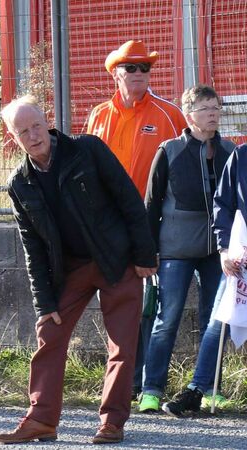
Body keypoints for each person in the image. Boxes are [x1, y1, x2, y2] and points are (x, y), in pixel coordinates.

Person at [0, 95, 157, 444]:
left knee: (122, 344)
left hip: (117, 261)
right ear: (13, 137)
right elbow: (32, 247)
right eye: (23, 131)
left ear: (47, 121)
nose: (34, 135)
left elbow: (129, 199)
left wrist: (145, 255)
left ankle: (112, 422)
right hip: (70, 270)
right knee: (49, 334)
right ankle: (41, 419)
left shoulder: (88, 150)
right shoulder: (19, 183)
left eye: (37, 125)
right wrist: (45, 303)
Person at [86, 39, 186, 400]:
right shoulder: (98, 115)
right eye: (132, 68)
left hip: (152, 224)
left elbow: (184, 167)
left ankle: (143, 381)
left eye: (146, 68)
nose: (140, 74)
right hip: (108, 226)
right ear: (116, 73)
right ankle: (121, 379)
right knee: (119, 302)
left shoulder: (168, 114)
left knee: (149, 303)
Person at [139, 85, 235, 413]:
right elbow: (151, 205)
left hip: (217, 252)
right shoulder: (169, 150)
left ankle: (209, 388)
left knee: (215, 319)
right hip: (175, 250)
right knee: (167, 319)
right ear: (189, 114)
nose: (214, 114)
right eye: (206, 108)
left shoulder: (230, 151)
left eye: (217, 108)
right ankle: (151, 390)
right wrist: (149, 250)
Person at [162, 139, 247, 418]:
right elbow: (223, 203)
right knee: (217, 322)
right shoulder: (241, 155)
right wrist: (224, 249)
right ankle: (197, 390)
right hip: (240, 257)